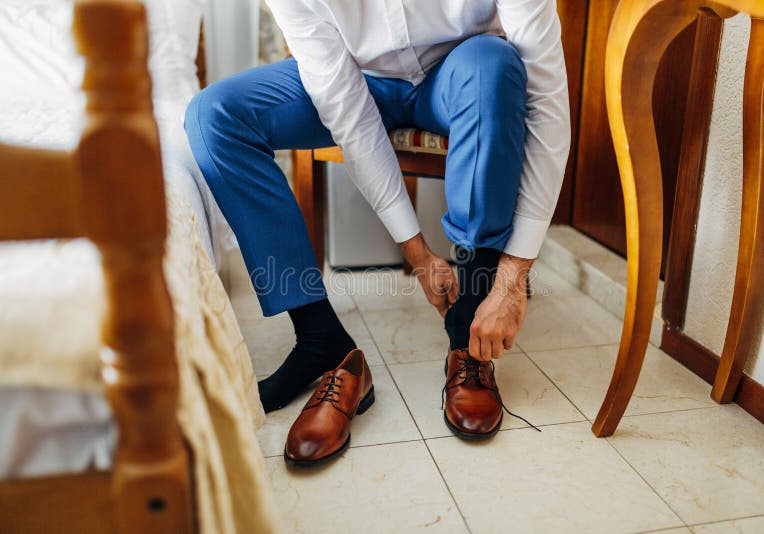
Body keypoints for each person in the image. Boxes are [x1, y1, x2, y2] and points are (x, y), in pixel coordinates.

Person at [184, 0, 569, 466]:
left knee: (492, 66)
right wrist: (419, 254)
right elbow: (349, 114)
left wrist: (511, 279)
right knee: (216, 115)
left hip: (462, 72)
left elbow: (546, 104)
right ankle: (319, 337)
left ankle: (469, 336)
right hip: (359, 78)